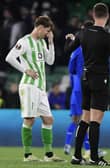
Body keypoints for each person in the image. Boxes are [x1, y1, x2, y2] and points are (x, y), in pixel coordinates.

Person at [64, 3, 110, 166]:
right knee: (95, 121)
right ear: (107, 17)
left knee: (85, 119)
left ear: (93, 15)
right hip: (100, 80)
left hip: (85, 78)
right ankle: (94, 158)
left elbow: (67, 51)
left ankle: (76, 156)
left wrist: (69, 40)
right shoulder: (108, 37)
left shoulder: (82, 33)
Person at [6, 16, 65, 162]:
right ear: (39, 27)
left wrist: (50, 42)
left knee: (48, 119)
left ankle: (49, 155)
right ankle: (27, 155)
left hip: (40, 88)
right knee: (30, 119)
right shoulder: (24, 41)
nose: (47, 33)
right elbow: (10, 57)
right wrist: (25, 69)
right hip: (29, 86)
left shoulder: (41, 42)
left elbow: (50, 61)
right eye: (46, 31)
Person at [64, 21, 93, 157]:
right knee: (85, 120)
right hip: (86, 86)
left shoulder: (76, 49)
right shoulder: (91, 48)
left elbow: (70, 69)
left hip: (75, 87)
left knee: (76, 120)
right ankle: (88, 150)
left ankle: (68, 144)